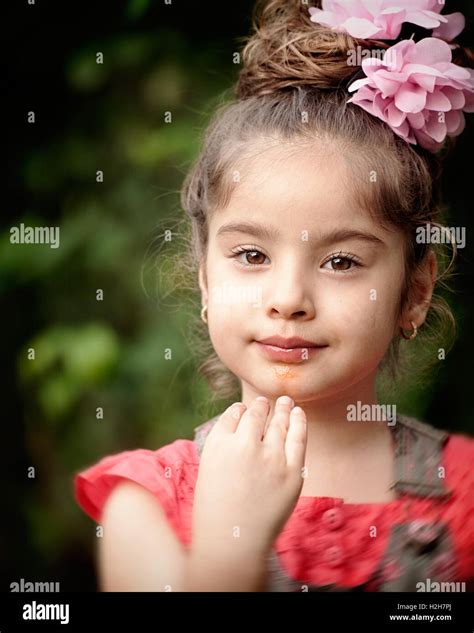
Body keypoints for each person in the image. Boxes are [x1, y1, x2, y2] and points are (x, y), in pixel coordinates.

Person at [73, 0, 474, 592]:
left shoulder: (465, 491)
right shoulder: (146, 508)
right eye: (252, 255)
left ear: (414, 291)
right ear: (206, 280)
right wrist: (226, 549)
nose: (289, 299)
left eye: (341, 261)